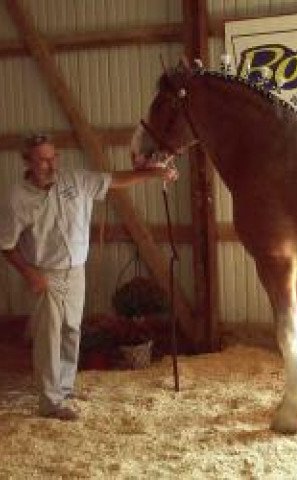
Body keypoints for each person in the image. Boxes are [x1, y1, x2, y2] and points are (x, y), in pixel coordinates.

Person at [0, 133, 177, 421]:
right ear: (27, 162)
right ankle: (50, 401)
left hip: (76, 270)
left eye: (53, 157)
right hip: (46, 274)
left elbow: (116, 180)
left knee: (72, 330)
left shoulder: (76, 180)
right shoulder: (17, 198)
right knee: (49, 337)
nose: (50, 164)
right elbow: (5, 244)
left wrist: (154, 173)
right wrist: (30, 273)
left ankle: (65, 389)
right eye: (42, 160)